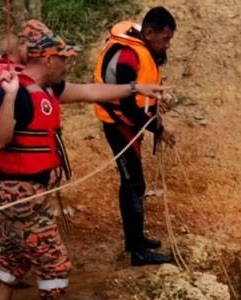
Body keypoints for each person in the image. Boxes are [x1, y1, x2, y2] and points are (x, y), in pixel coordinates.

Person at [0, 19, 166, 300]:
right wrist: (10, 96)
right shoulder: (14, 90)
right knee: (53, 259)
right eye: (64, 59)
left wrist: (136, 88)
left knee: (17, 247)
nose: (68, 64)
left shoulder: (48, 88)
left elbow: (91, 91)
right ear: (48, 59)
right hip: (18, 191)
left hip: (27, 190)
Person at [93, 7, 177, 266]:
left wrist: (154, 105)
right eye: (165, 39)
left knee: (135, 184)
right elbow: (127, 106)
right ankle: (137, 252)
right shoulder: (128, 56)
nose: (167, 45)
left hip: (130, 123)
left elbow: (138, 95)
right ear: (149, 33)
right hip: (119, 125)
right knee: (133, 185)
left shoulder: (141, 49)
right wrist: (159, 131)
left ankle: (136, 240)